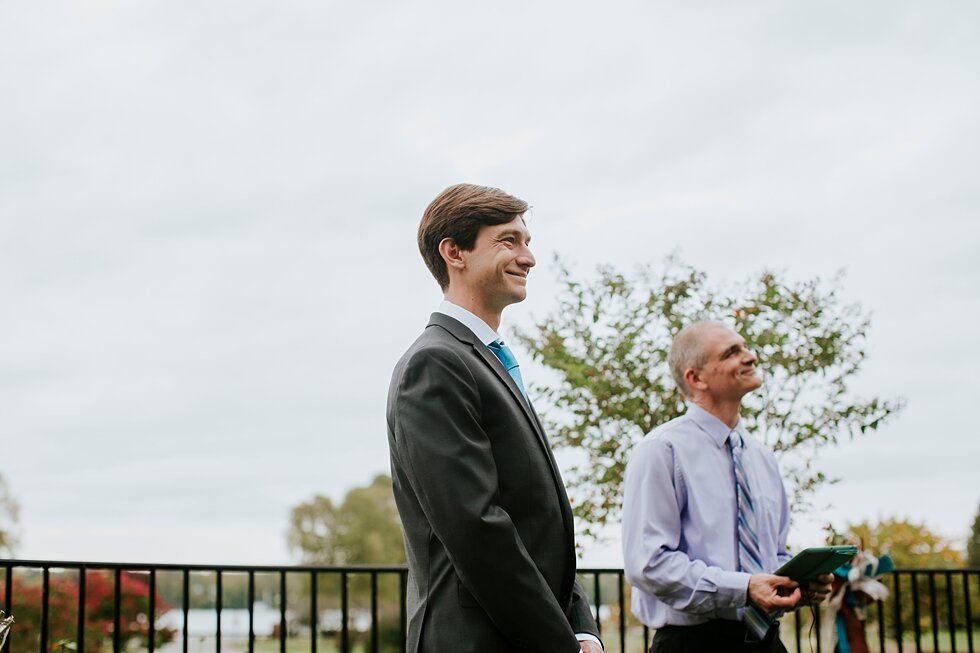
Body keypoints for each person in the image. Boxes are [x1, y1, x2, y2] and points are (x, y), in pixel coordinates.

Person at [387, 184, 602, 653]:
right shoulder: (435, 364)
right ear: (454, 252)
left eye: (527, 241)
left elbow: (539, 524)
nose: (529, 258)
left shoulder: (489, 361)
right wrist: (560, 643)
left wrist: (582, 628)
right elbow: (478, 529)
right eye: (509, 240)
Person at [622, 321, 833, 652]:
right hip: (693, 645)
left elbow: (773, 553)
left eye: (745, 346)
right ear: (696, 378)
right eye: (732, 353)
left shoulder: (762, 457)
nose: (750, 356)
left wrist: (797, 583)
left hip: (766, 641)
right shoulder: (662, 450)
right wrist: (745, 588)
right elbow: (648, 565)